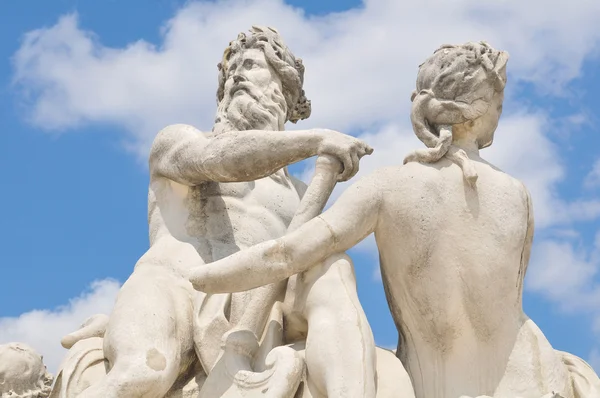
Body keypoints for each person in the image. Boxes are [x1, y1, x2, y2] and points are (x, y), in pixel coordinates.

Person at [189, 42, 600, 398]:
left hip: (431, 383)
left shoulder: (385, 188)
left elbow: (286, 255)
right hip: (532, 378)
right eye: (499, 103)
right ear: (476, 112)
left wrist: (201, 279)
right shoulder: (517, 193)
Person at [62, 26, 374, 398]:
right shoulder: (177, 141)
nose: (238, 74)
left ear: (286, 94)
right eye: (232, 71)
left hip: (257, 313)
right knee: (142, 373)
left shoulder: (302, 196)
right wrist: (314, 141)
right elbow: (218, 160)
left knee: (332, 267)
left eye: (254, 66)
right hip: (173, 283)